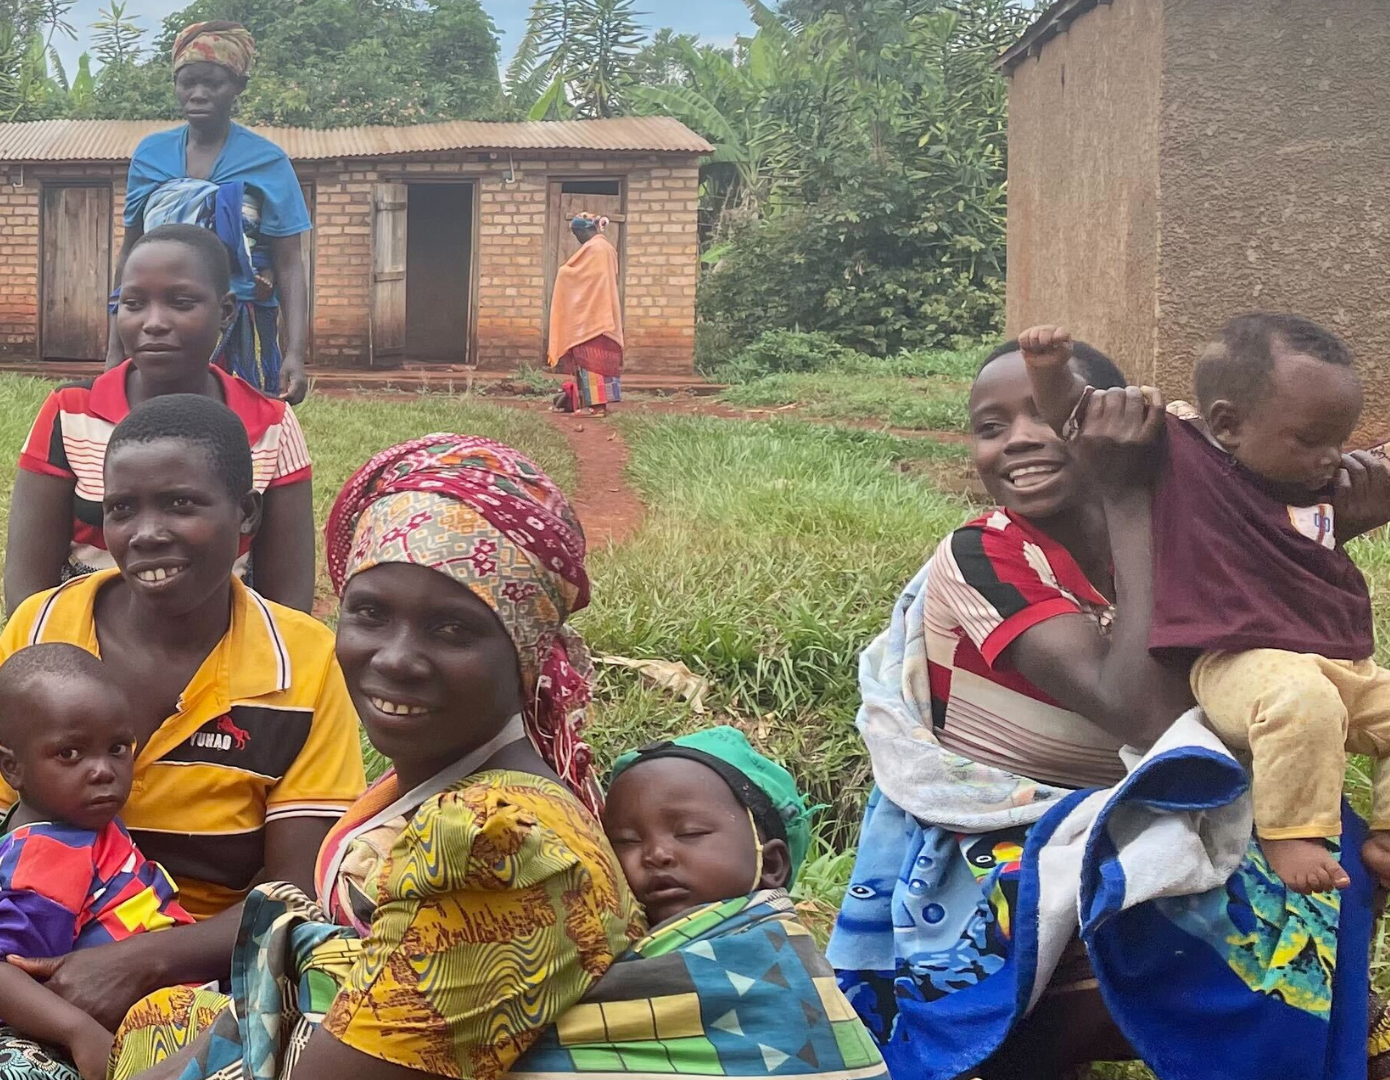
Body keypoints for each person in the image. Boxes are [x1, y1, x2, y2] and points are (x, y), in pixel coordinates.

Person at [829, 339, 1388, 1080]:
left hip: (1149, 796)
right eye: (991, 427)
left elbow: (1269, 662)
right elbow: (1144, 714)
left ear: (1123, 427)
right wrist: (1124, 495)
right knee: (1156, 899)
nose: (1017, 439)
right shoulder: (985, 553)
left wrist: (1324, 538)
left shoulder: (1194, 529)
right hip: (1000, 824)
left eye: (1045, 416)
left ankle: (1320, 1041)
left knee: (1321, 834)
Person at [112, 434, 641, 1080]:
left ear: (523, 650)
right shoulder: (435, 787)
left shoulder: (500, 848)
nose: (395, 658)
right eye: (369, 613)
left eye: (453, 628)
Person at [0, 393, 363, 1080]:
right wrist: (49, 990)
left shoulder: (303, 662)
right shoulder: (42, 633)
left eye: (180, 504)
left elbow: (296, 891)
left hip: (225, 973)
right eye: (121, 508)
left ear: (246, 514)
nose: (146, 533)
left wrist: (140, 963)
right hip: (58, 979)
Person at [1022, 317, 1390, 893]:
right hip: (1237, 660)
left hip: (1339, 661)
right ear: (1227, 424)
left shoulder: (1315, 481)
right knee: (1301, 700)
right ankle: (1292, 832)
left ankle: (1386, 838)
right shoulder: (1182, 455)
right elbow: (1078, 413)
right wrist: (1049, 371)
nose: (1330, 457)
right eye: (1311, 440)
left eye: (1339, 441)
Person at [514, 725, 888, 1078]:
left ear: (771, 864)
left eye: (690, 832)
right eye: (626, 841)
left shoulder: (788, 977)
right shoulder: (580, 950)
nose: (656, 854)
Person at [5, 225, 315, 616]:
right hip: (83, 638)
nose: (153, 322)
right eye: (133, 303)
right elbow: (27, 586)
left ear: (225, 312)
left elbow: (288, 600)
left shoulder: (271, 425)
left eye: (180, 302)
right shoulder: (70, 413)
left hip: (222, 641)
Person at [0, 643, 196, 1080]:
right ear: (12, 769)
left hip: (172, 1010)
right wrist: (79, 1033)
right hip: (90, 1037)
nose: (103, 770)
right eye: (70, 754)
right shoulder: (39, 859)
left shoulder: (82, 823)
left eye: (117, 748)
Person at [117, 21, 311, 402]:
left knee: (241, 423)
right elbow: (130, 252)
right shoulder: (150, 156)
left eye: (213, 83)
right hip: (163, 325)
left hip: (240, 328)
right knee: (159, 419)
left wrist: (295, 353)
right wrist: (114, 348)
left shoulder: (267, 161)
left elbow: (290, 263)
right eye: (187, 82)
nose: (198, 94)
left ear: (239, 86)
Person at [546, 213, 625, 417]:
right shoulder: (606, 247)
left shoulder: (596, 248)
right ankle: (588, 404)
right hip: (601, 312)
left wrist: (564, 273)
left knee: (592, 360)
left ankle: (596, 407)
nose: (577, 238)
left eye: (576, 233)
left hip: (594, 315)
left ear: (584, 230)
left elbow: (583, 277)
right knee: (591, 360)